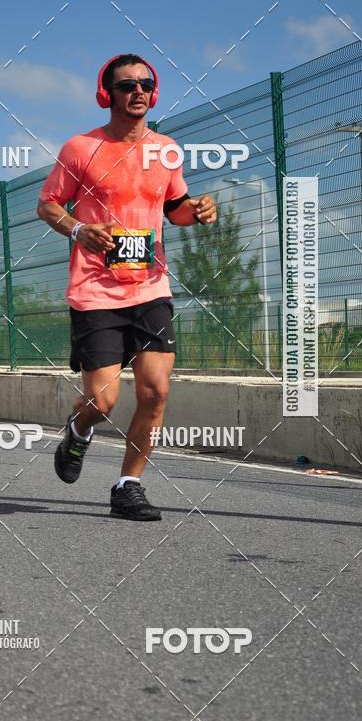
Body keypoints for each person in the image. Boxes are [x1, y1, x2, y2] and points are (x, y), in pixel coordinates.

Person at [37, 54, 217, 521]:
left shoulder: (166, 150)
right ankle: (78, 431)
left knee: (155, 392)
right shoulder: (80, 148)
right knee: (103, 401)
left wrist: (195, 210)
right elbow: (49, 205)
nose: (137, 91)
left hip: (151, 286)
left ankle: (128, 485)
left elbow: (174, 207)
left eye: (146, 83)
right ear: (107, 94)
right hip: (96, 291)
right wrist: (79, 230)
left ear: (153, 92)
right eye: (126, 85)